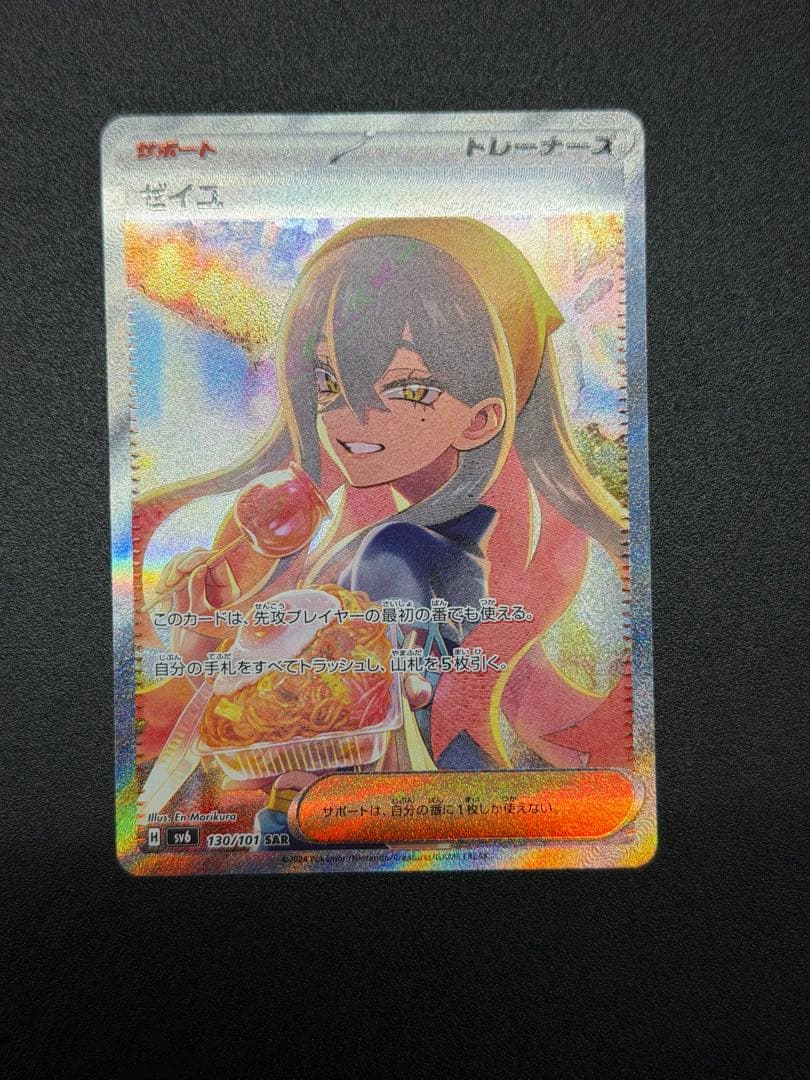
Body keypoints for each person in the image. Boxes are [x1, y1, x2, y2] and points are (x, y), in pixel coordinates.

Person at [136, 218, 629, 775]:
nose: (351, 417)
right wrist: (206, 638)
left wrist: (208, 648)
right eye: (328, 381)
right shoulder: (388, 538)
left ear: (481, 419)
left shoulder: (401, 552)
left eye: (408, 388)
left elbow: (330, 731)